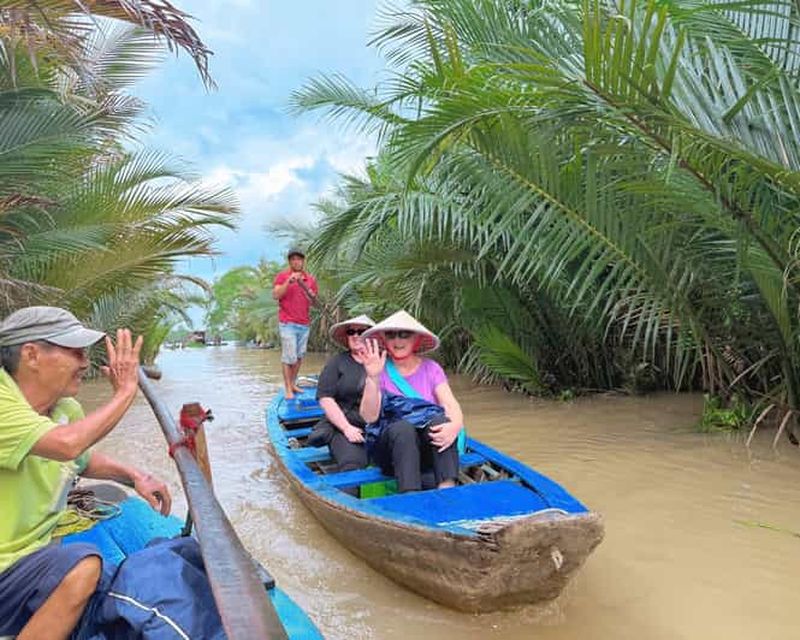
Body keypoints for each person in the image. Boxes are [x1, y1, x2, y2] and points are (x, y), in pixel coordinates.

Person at [0, 306, 171, 640]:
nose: (84, 363)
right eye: (76, 352)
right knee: (84, 565)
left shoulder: (65, 409)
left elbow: (79, 459)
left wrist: (134, 476)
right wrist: (125, 392)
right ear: (32, 355)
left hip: (31, 563)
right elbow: (67, 445)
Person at [359, 310, 464, 492]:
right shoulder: (378, 369)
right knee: (403, 428)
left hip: (425, 450)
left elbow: (450, 403)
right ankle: (410, 494)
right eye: (391, 335)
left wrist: (455, 426)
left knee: (441, 422)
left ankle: (447, 489)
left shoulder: (431, 369)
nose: (398, 341)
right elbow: (369, 417)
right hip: (392, 451)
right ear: (384, 340)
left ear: (415, 339)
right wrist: (373, 377)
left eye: (404, 335)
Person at [308, 315, 375, 483]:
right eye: (351, 331)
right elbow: (326, 399)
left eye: (362, 331)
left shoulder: (384, 361)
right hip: (345, 425)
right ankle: (350, 505)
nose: (355, 335)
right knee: (353, 463)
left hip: (378, 427)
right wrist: (346, 428)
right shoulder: (337, 363)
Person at [272, 247, 318, 400]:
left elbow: (315, 303)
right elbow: (275, 295)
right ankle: (287, 389)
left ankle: (292, 383)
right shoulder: (282, 276)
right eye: (293, 259)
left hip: (304, 323)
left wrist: (311, 296)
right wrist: (288, 281)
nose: (296, 262)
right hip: (287, 323)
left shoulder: (310, 280)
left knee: (299, 357)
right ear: (290, 261)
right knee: (288, 357)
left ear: (303, 261)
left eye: (299, 259)